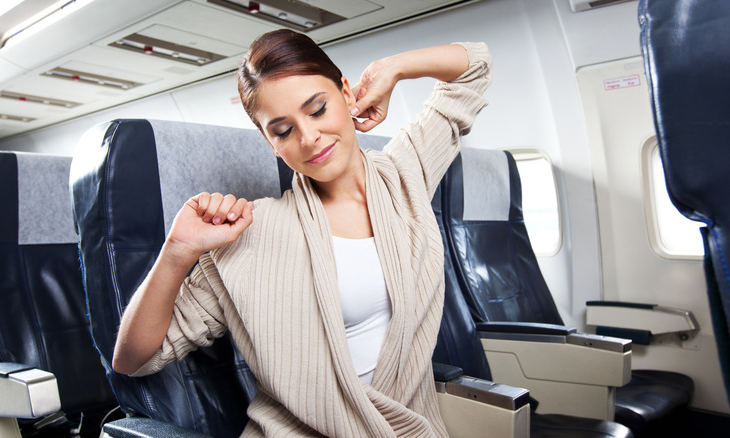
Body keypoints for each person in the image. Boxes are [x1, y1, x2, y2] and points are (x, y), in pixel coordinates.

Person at [111, 28, 491, 437]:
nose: (309, 137)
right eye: (282, 130)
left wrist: (391, 69)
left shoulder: (403, 175)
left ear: (346, 93)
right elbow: (134, 359)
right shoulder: (253, 232)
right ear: (270, 142)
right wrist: (177, 251)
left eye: (317, 109)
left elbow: (475, 67)